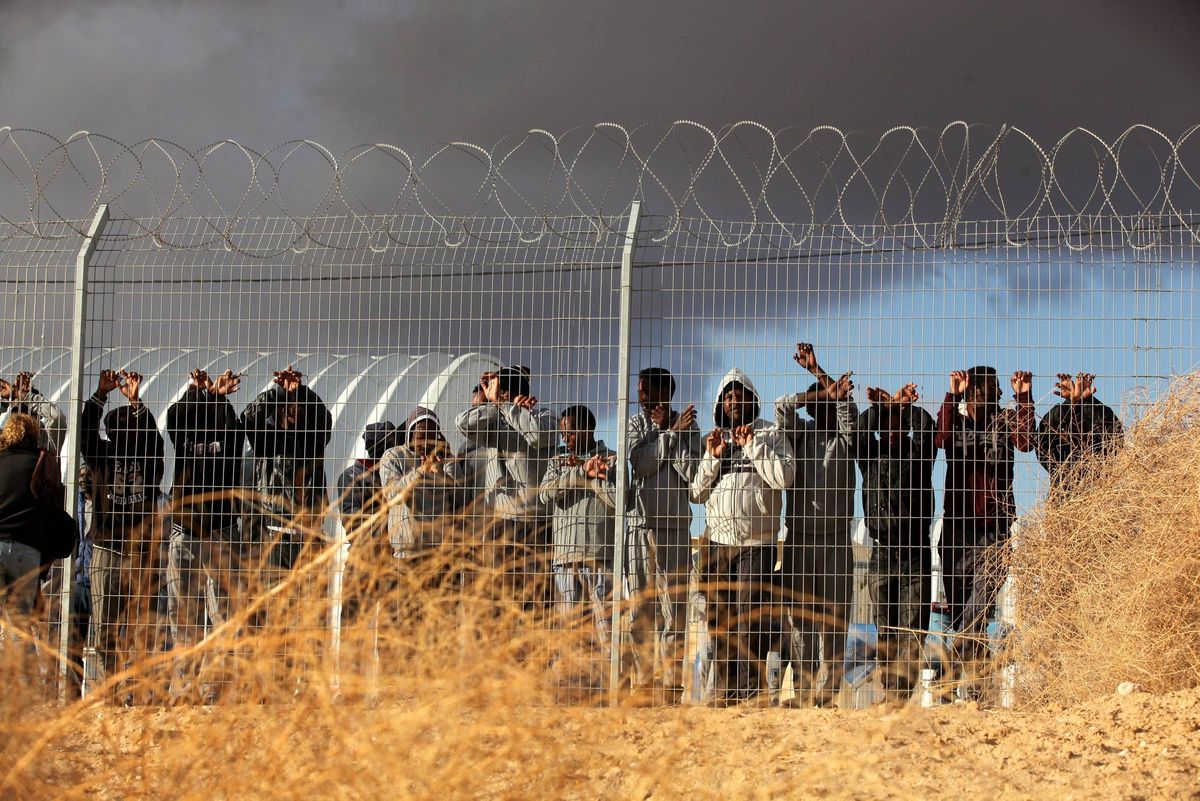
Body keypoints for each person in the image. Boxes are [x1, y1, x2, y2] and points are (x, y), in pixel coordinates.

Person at [690, 369, 794, 703]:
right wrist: (712, 457)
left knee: (749, 623)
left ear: (753, 400)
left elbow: (783, 477)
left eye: (740, 396)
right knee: (720, 624)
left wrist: (752, 446)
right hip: (719, 544)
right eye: (728, 397)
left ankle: (749, 696)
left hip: (756, 544)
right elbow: (696, 493)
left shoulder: (770, 433)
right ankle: (723, 694)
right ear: (721, 403)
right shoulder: (715, 438)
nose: (734, 401)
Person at [773, 343, 857, 706]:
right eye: (815, 401)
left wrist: (819, 371)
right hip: (799, 539)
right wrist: (818, 386)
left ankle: (829, 688)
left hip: (837, 539)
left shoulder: (844, 438)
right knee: (800, 619)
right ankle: (804, 689)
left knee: (835, 618)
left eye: (825, 401)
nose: (818, 405)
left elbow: (848, 411)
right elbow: (780, 408)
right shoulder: (797, 436)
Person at [935, 366, 1035, 664]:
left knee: (980, 606)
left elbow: (1026, 442)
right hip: (957, 531)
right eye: (994, 387)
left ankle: (948, 671)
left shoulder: (1004, 424)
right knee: (964, 617)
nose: (1000, 393)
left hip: (995, 531)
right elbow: (940, 439)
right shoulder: (957, 425)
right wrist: (952, 393)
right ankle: (977, 695)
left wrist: (1024, 398)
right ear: (974, 391)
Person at [80, 369, 166, 703]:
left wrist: (134, 402)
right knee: (105, 626)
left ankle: (132, 694)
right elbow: (86, 434)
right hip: (108, 548)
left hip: (137, 553)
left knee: (132, 627)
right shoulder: (102, 455)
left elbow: (155, 441)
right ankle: (108, 694)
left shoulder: (150, 458)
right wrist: (101, 395)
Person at [164, 368, 247, 703]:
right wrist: (198, 391)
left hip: (221, 532)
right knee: (183, 615)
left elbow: (232, 431)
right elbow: (174, 418)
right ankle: (184, 690)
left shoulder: (229, 430)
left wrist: (217, 396)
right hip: (185, 532)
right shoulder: (183, 429)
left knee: (223, 616)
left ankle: (216, 691)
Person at [855, 383, 936, 697]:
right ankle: (889, 693)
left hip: (914, 551)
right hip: (882, 551)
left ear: (905, 426)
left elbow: (927, 428)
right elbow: (860, 433)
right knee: (885, 629)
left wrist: (902, 405)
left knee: (913, 630)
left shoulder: (918, 456)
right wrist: (881, 408)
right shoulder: (871, 457)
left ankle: (902, 696)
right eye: (886, 422)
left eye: (898, 422)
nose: (891, 428)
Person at [454, 366, 558, 610]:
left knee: (536, 597)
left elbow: (538, 435)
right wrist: (492, 405)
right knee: (499, 597)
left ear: (507, 393)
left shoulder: (544, 416)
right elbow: (463, 424)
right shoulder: (495, 420)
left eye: (498, 391)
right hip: (500, 523)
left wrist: (507, 407)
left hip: (535, 522)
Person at [624, 367, 700, 694]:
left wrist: (673, 433)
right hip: (639, 528)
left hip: (675, 528)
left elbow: (692, 472)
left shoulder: (690, 426)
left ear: (663, 394)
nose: (641, 399)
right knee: (641, 610)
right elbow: (639, 464)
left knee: (675, 611)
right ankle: (642, 683)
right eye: (640, 393)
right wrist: (667, 434)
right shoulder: (634, 425)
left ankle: (671, 685)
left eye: (645, 392)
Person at [540, 405, 617, 671]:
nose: (565, 438)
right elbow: (545, 494)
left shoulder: (612, 459)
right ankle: (574, 686)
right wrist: (580, 472)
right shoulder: (557, 460)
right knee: (571, 629)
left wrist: (593, 476)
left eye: (570, 432)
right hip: (564, 557)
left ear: (587, 429)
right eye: (563, 433)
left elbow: (619, 500)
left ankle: (609, 688)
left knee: (604, 626)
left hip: (599, 556)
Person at [240, 365, 333, 575]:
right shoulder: (265, 443)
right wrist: (279, 393)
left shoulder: (313, 443)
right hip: (274, 538)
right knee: (276, 602)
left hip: (309, 538)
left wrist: (300, 392)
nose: (291, 410)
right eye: (286, 406)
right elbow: (249, 418)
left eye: (296, 406)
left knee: (310, 604)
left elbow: (324, 418)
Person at [0, 412, 75, 620]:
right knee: (20, 623)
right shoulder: (43, 464)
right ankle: (22, 653)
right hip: (28, 550)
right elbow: (53, 507)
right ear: (35, 436)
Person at [337, 421, 400, 623]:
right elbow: (352, 522)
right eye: (389, 442)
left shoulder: (394, 473)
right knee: (353, 623)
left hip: (391, 560)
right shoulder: (351, 476)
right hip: (362, 560)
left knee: (390, 627)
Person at [1037, 372, 1123, 489]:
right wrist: (1072, 402)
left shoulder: (1101, 464)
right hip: (1066, 494)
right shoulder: (1059, 466)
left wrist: (1086, 401)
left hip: (1099, 489)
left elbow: (1115, 438)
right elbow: (1042, 440)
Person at [0, 371, 66, 454]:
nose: (22, 419)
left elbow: (56, 417)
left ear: (38, 415)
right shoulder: (5, 440)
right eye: (17, 411)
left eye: (27, 412)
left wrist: (21, 395)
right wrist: (5, 401)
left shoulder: (47, 440)